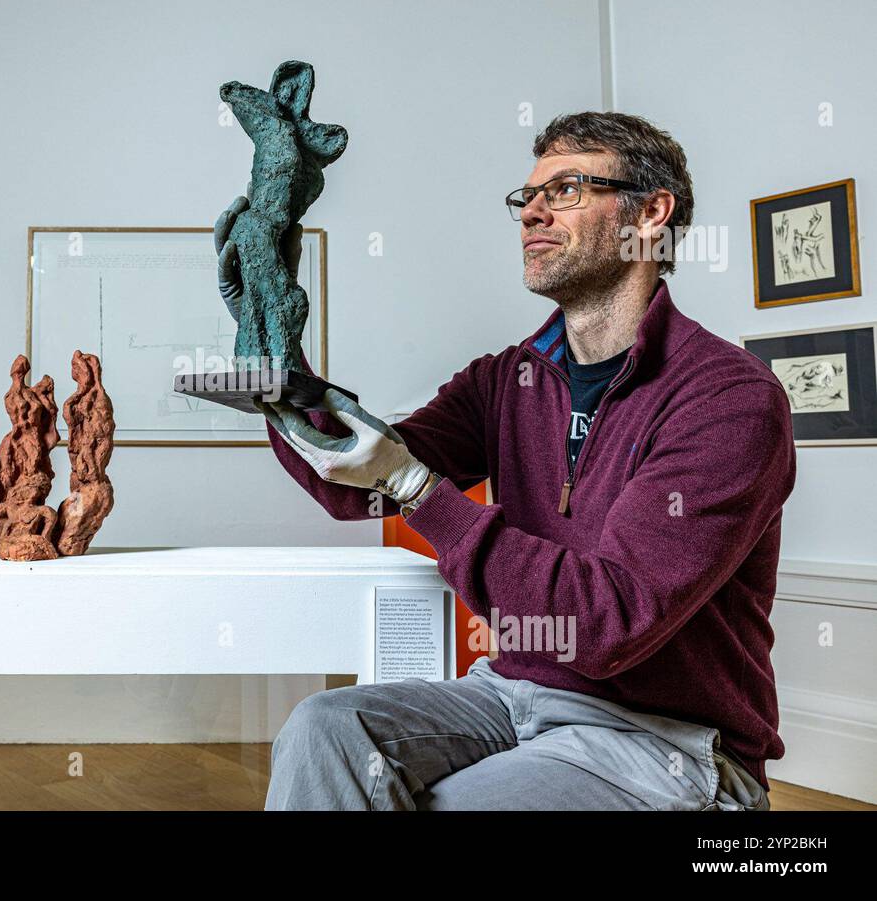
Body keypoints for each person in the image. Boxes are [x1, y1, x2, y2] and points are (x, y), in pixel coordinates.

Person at [215, 111, 795, 810]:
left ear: (651, 213)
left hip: (664, 740)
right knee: (322, 730)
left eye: (568, 188)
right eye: (527, 197)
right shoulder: (508, 380)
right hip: (512, 692)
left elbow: (607, 622)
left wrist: (415, 487)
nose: (533, 213)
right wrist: (271, 348)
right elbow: (353, 487)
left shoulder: (728, 398)